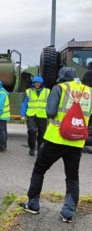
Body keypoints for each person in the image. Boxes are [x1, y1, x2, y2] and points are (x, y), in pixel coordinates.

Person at [19, 67, 92, 223]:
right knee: (72, 176)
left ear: (61, 78)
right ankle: (68, 213)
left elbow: (50, 112)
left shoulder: (59, 88)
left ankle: (33, 205)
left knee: (39, 169)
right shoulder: (88, 90)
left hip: (56, 138)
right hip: (77, 140)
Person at [20, 76, 50, 156]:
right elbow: (24, 104)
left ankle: (40, 148)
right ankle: (32, 148)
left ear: (41, 83)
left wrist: (51, 115)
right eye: (35, 82)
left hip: (43, 115)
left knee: (42, 134)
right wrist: (23, 114)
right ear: (33, 83)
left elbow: (50, 104)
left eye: (38, 82)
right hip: (31, 115)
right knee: (32, 131)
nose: (37, 84)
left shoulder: (47, 91)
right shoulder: (28, 91)